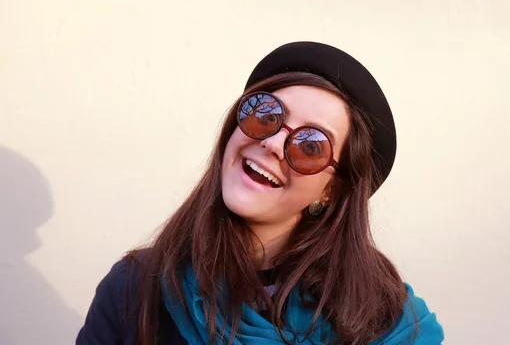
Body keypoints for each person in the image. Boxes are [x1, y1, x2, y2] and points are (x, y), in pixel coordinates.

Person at [76, 42, 444, 344]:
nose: (270, 143)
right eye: (266, 114)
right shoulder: (135, 290)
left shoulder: (384, 320)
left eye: (311, 146)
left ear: (331, 191)